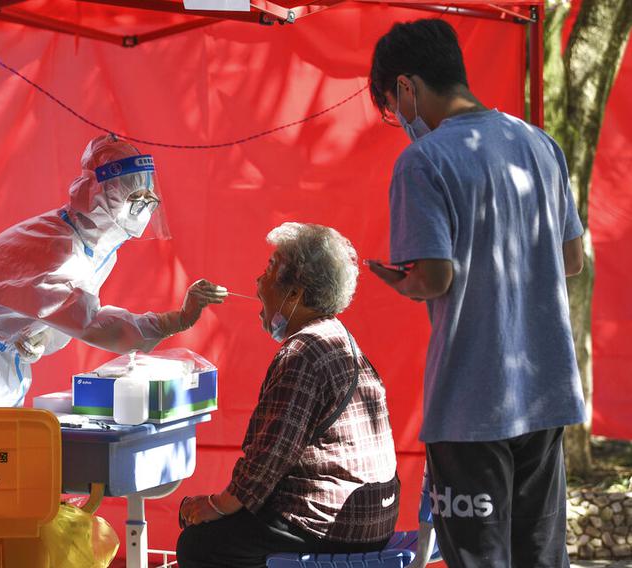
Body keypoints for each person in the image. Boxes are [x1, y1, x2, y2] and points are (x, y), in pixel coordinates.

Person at [367, 19, 585, 567]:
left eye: (393, 106)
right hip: (545, 394)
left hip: (471, 403)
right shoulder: (539, 143)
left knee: (479, 559)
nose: (400, 121)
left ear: (407, 87)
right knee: (540, 556)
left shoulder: (423, 161)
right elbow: (573, 259)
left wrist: (401, 281)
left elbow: (435, 278)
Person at [0, 134, 227, 408]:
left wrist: (43, 336)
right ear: (98, 194)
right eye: (135, 199)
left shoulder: (92, 245)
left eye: (149, 199)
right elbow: (93, 323)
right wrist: (173, 321)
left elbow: (62, 310)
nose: (143, 210)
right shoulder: (58, 247)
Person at [176, 223, 400, 568]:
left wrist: (215, 505)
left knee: (200, 545)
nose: (257, 281)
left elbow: (269, 457)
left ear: (295, 294)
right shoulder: (337, 337)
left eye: (269, 268)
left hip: (333, 524)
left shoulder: (303, 353)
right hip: (370, 518)